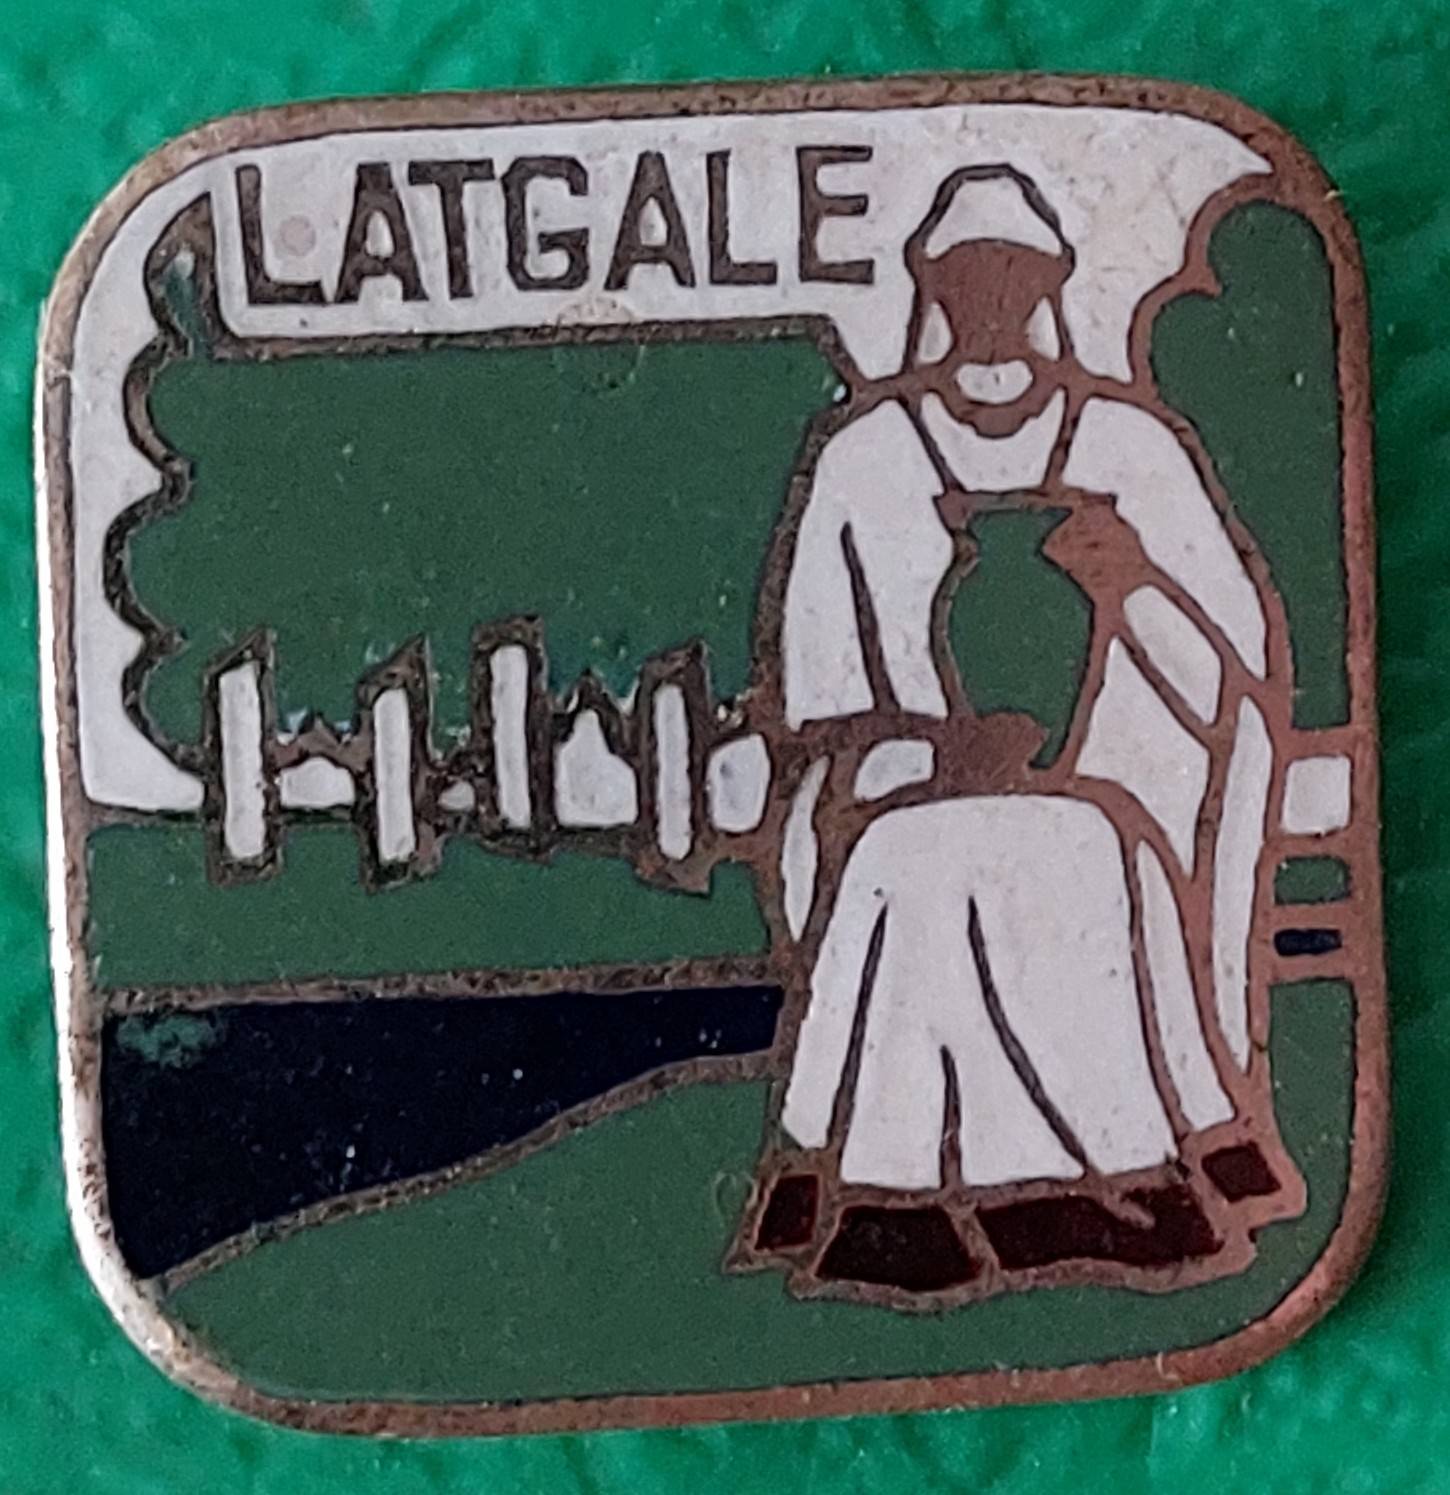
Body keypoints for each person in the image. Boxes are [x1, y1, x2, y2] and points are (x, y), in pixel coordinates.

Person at [733, 164, 1305, 1299]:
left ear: (1049, 286)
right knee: (915, 863)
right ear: (932, 288)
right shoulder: (867, 457)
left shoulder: (1127, 447)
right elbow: (818, 699)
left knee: (1082, 852)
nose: (990, 299)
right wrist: (923, 751)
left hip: (1117, 783)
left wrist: (1130, 586)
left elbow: (1236, 662)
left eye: (1014, 275)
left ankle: (1107, 1178)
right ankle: (903, 1198)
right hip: (910, 786)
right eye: (967, 277)